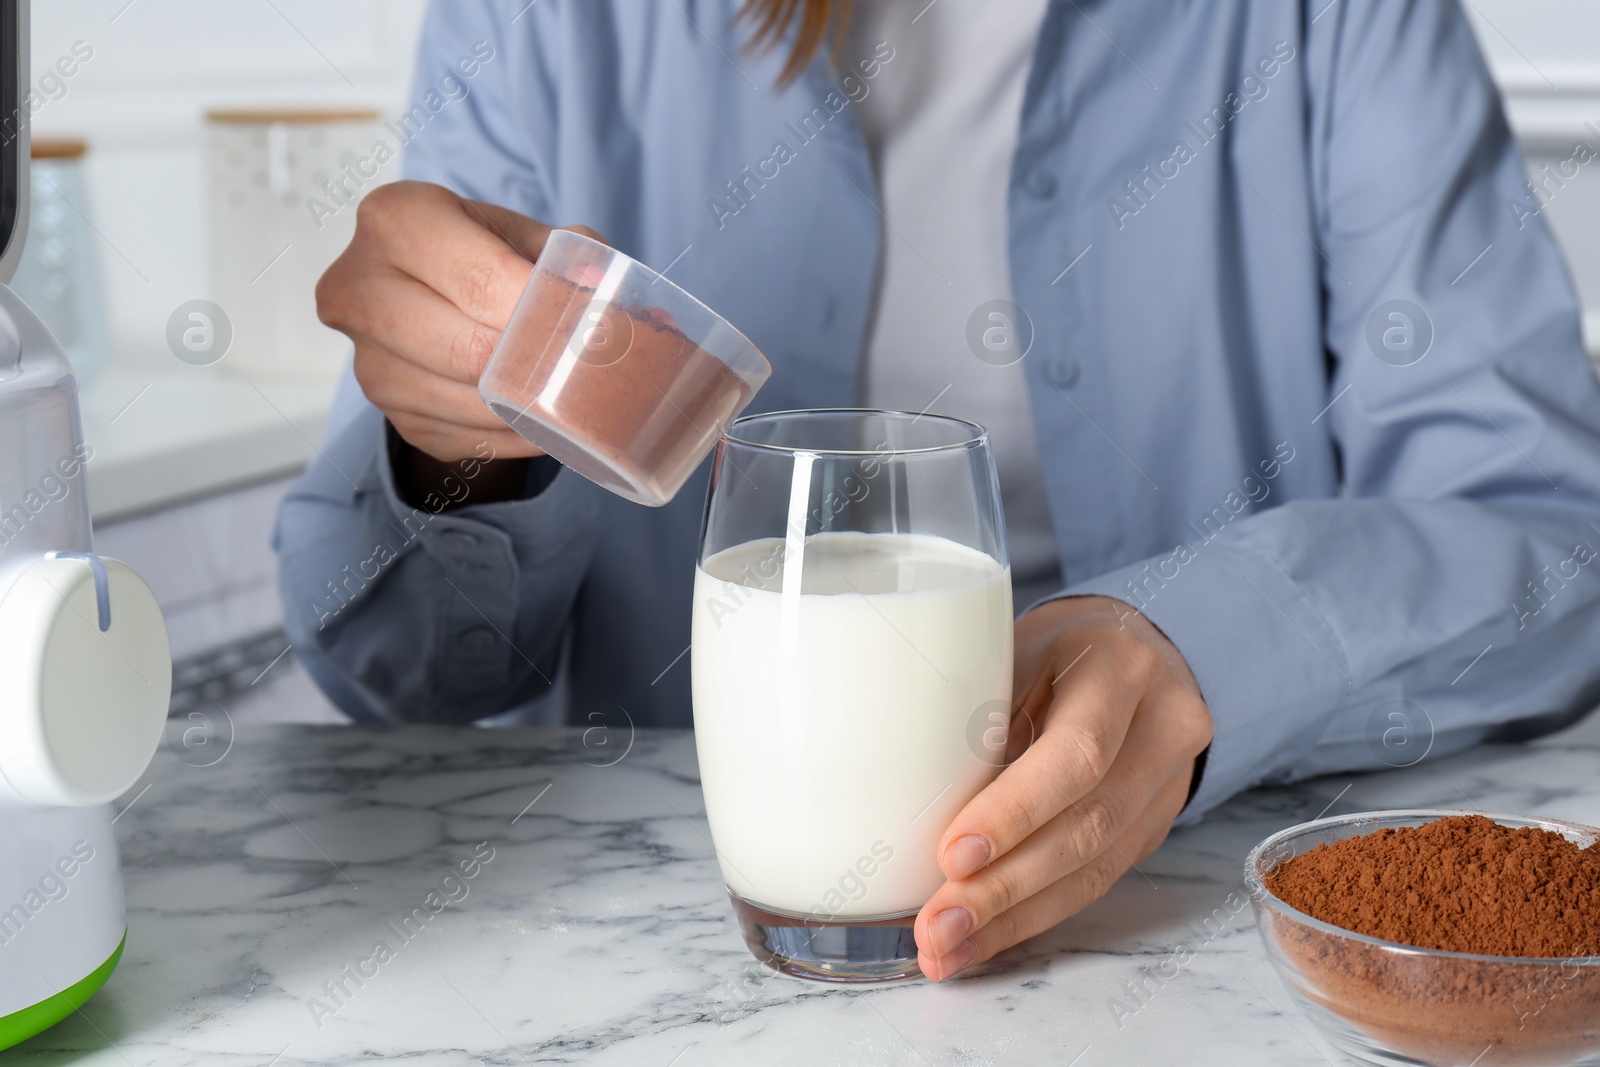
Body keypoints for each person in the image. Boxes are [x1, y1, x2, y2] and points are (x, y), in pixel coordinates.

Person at [277, 0, 1600, 982]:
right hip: (638, 952)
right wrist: (459, 443)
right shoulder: (553, 23)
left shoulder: (1329, 24)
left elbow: (1547, 540)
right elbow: (398, 664)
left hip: (1177, 934)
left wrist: (1206, 656)